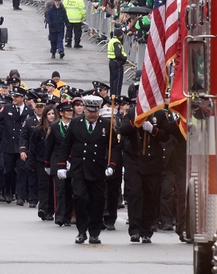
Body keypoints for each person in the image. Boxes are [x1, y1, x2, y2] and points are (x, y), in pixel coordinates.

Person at [57, 96, 121, 245]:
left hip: (97, 170)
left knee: (97, 202)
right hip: (79, 169)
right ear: (84, 109)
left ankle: (94, 233)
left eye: (95, 111)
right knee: (80, 199)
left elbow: (114, 147)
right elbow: (66, 145)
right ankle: (81, 231)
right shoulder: (75, 123)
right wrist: (61, 165)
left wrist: (112, 165)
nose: (92, 114)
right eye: (90, 111)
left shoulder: (106, 125)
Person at [120, 109, 171, 243]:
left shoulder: (159, 114)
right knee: (134, 193)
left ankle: (146, 230)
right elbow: (122, 130)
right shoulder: (131, 113)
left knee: (151, 196)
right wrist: (134, 123)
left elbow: (166, 136)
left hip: (152, 161)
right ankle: (135, 230)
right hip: (134, 160)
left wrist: (153, 130)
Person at [44, 101, 75, 225]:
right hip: (57, 161)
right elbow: (49, 146)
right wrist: (47, 163)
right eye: (67, 111)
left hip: (72, 161)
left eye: (71, 110)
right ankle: (59, 215)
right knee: (60, 189)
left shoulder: (76, 125)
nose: (70, 113)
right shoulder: (55, 126)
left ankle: (67, 217)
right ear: (61, 113)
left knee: (70, 190)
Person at [108, 28, 128, 97]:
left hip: (112, 62)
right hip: (117, 63)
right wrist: (124, 58)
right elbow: (118, 54)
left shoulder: (112, 40)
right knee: (117, 81)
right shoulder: (117, 43)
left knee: (112, 80)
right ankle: (116, 96)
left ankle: (112, 95)